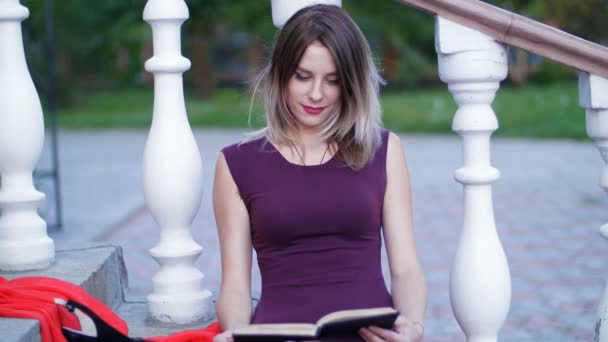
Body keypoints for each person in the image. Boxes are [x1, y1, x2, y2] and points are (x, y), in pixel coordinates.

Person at [212, 4, 427, 342]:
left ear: (351, 84)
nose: (316, 94)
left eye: (333, 81)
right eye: (303, 76)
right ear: (281, 74)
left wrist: (413, 326)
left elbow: (406, 267)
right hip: (280, 337)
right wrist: (236, 334)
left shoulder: (383, 150)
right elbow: (236, 286)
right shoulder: (236, 164)